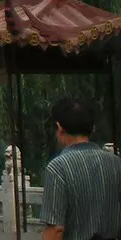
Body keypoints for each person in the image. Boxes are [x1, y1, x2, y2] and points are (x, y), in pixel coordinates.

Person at [41, 96, 121, 240]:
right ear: (92, 128)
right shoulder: (116, 164)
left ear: (59, 127)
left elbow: (56, 230)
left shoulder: (58, 168)